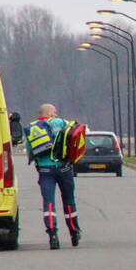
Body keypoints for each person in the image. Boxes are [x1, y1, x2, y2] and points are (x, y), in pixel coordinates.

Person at [26, 104, 81, 250]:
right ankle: (74, 231)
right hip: (64, 168)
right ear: (50, 112)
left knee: (48, 203)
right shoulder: (62, 123)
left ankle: (52, 235)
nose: (56, 114)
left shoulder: (32, 128)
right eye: (55, 111)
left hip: (45, 171)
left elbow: (31, 152)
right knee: (69, 200)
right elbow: (76, 135)